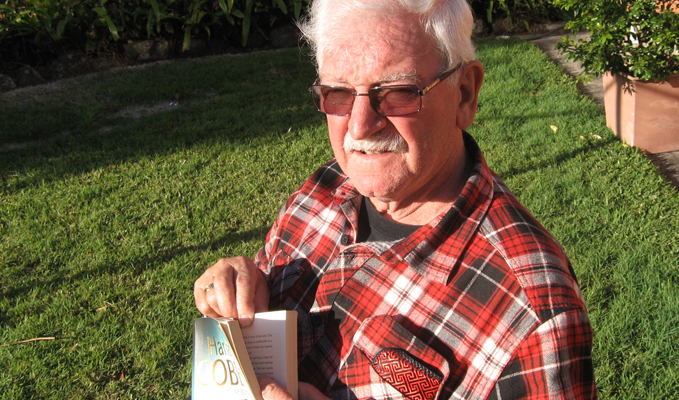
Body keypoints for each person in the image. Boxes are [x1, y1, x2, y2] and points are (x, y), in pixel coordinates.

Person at [194, 0, 597, 398]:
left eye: (398, 92)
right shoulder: (325, 188)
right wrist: (241, 287)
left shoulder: (533, 313)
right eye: (337, 93)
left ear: (464, 94)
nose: (360, 126)